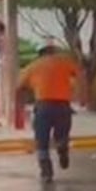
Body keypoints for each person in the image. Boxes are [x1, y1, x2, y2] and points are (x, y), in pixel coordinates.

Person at [18, 44, 83, 182]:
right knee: (62, 135)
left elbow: (19, 87)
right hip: (63, 106)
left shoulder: (33, 66)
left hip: (43, 106)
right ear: (53, 52)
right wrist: (82, 95)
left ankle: (46, 172)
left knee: (42, 140)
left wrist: (20, 106)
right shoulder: (65, 62)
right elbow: (80, 75)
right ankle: (62, 148)